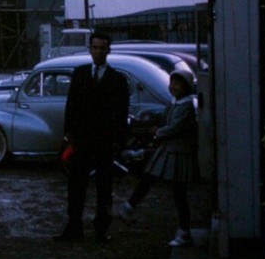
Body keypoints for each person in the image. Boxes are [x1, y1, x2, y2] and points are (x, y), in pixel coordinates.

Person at [54, 29, 130, 243]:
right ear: (89, 50)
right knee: (76, 186)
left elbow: (122, 112)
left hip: (104, 141)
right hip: (81, 140)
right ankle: (73, 227)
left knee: (104, 188)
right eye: (95, 48)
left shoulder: (117, 80)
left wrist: (119, 142)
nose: (98, 52)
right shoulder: (80, 74)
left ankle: (101, 230)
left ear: (108, 50)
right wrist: (69, 133)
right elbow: (71, 105)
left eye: (102, 48)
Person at [118, 66, 199, 247]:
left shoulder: (185, 106)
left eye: (178, 84)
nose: (174, 87)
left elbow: (174, 127)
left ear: (185, 87)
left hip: (180, 153)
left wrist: (157, 131)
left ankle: (184, 231)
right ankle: (130, 205)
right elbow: (163, 119)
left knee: (178, 193)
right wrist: (145, 123)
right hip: (170, 150)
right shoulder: (175, 103)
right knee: (149, 177)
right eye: (172, 83)